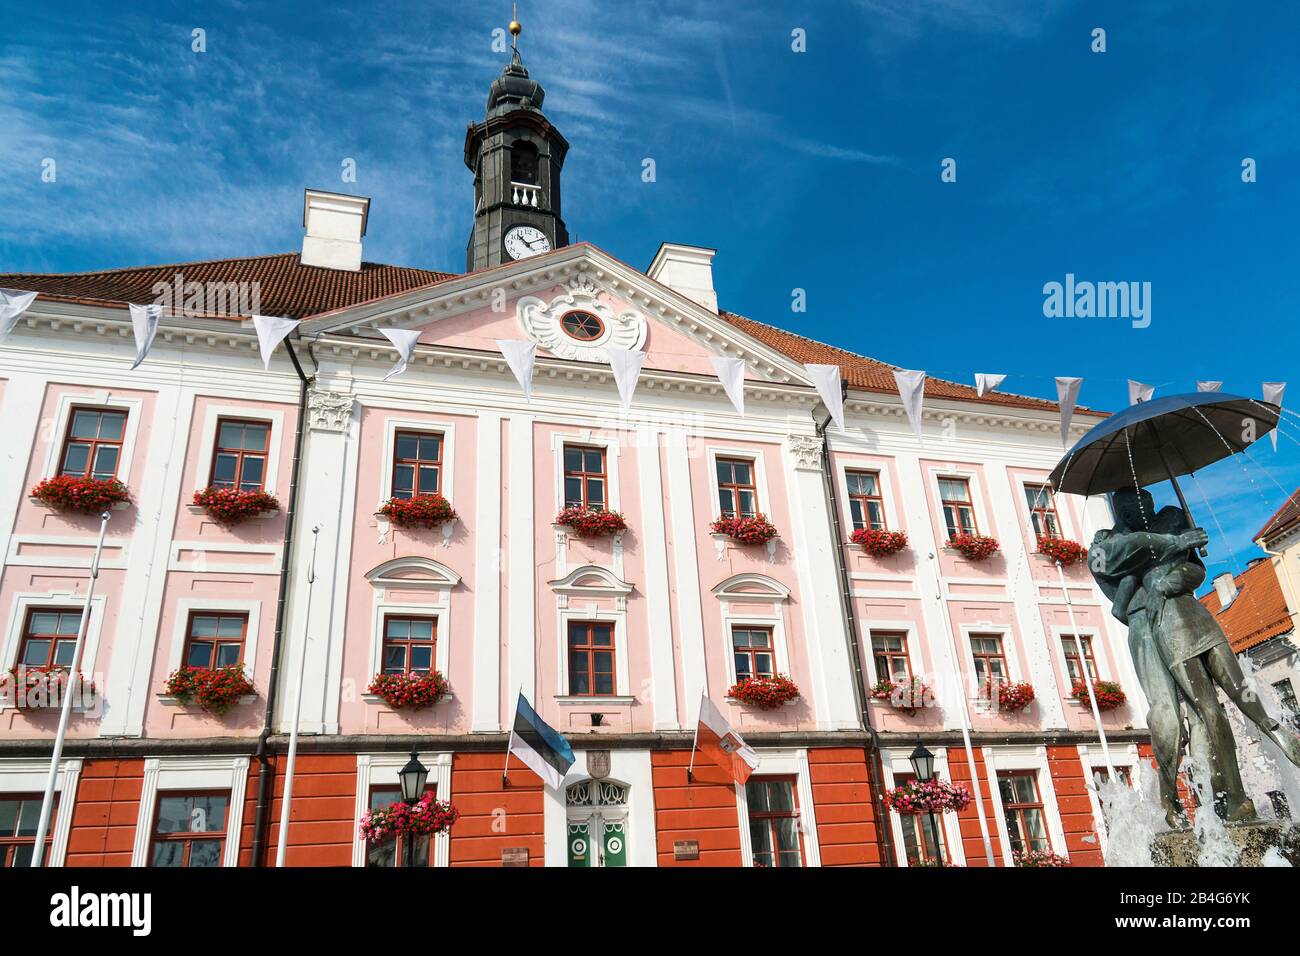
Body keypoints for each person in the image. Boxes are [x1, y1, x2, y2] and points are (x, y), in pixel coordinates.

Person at [1090, 487, 1300, 826]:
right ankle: (1169, 798)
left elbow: (1197, 571)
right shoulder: (1107, 539)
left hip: (1184, 614)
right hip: (1145, 627)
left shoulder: (1169, 519)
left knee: (1209, 712)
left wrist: (1176, 572)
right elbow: (1113, 560)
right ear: (1120, 509)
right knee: (1170, 718)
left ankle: (1225, 795)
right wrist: (1174, 542)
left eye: (1148, 503)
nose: (1144, 509)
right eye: (1135, 505)